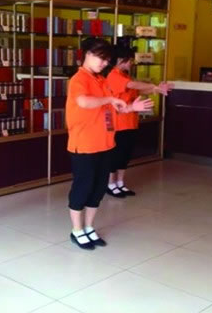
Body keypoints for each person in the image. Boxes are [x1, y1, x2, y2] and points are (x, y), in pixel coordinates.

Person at [66, 38, 154, 250]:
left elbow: (113, 109)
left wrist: (131, 108)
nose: (104, 63)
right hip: (84, 145)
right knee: (83, 187)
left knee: (98, 189)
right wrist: (109, 100)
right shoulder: (79, 79)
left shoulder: (101, 80)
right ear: (87, 54)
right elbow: (84, 102)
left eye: (107, 60)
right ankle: (76, 230)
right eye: (101, 58)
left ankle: (89, 227)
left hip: (105, 143)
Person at [105, 44, 174, 198]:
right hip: (118, 124)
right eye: (130, 60)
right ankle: (110, 184)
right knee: (115, 155)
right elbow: (132, 85)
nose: (132, 63)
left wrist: (156, 89)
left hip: (130, 122)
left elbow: (138, 89)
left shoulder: (125, 75)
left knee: (125, 155)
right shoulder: (114, 75)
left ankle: (120, 183)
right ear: (121, 60)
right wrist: (153, 86)